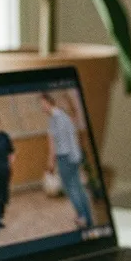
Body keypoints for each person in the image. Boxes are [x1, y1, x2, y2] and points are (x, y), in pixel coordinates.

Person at [41, 92, 93, 229]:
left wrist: (50, 163)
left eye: (42, 104)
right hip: (75, 156)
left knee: (71, 189)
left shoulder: (54, 120)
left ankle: (82, 217)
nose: (42, 108)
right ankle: (87, 217)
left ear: (48, 102)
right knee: (79, 187)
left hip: (64, 157)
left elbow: (53, 144)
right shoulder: (65, 116)